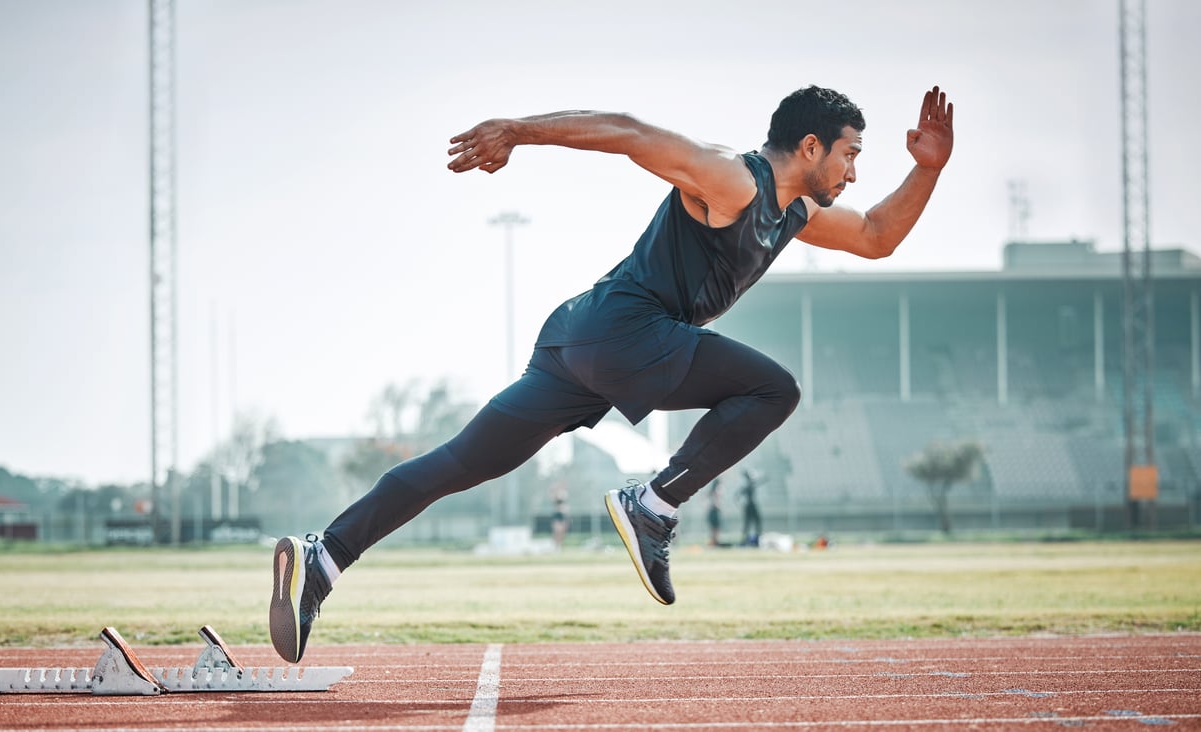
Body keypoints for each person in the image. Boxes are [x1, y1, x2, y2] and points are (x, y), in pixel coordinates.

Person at [269, 85, 954, 662]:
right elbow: (629, 132)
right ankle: (650, 506)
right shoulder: (733, 179)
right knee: (773, 388)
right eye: (850, 154)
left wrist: (928, 169)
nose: (855, 173)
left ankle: (322, 560)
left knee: (459, 463)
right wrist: (517, 131)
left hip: (583, 340)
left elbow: (874, 237)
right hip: (628, 331)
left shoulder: (795, 211)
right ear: (810, 147)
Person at [739, 469, 762, 546]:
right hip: (750, 506)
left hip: (751, 506)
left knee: (755, 523)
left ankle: (757, 540)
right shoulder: (747, 486)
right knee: (748, 525)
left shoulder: (750, 485)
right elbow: (737, 496)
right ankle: (744, 541)